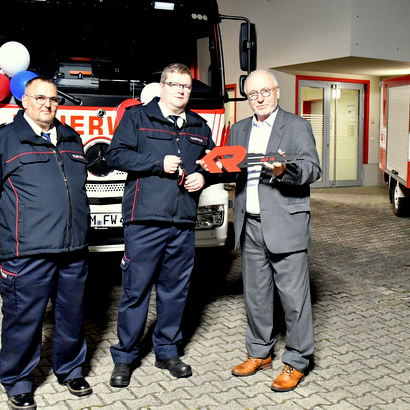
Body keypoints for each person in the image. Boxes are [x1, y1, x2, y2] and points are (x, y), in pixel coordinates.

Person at [0, 77, 92, 410]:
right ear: (24, 100)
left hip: (73, 249)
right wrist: (9, 233)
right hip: (27, 253)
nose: (47, 104)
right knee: (23, 319)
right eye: (39, 98)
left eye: (53, 99)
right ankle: (18, 381)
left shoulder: (70, 138)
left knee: (72, 315)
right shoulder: (2, 141)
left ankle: (71, 370)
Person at [106, 63, 215, 388]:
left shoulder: (199, 125)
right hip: (145, 222)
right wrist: (156, 163)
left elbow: (213, 162)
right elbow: (114, 156)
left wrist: (204, 176)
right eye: (175, 84)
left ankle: (167, 351)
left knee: (175, 292)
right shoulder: (137, 118)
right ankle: (125, 357)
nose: (181, 90)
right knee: (135, 292)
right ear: (162, 87)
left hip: (182, 223)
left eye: (186, 86)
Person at [227, 70, 321, 392]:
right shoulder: (238, 129)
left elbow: (313, 168)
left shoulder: (296, 126)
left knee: (294, 299)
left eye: (265, 91)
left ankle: (297, 361)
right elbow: (230, 168)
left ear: (277, 92)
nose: (259, 98)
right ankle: (260, 352)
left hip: (285, 223)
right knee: (255, 296)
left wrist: (286, 170)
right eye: (252, 94)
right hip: (249, 223)